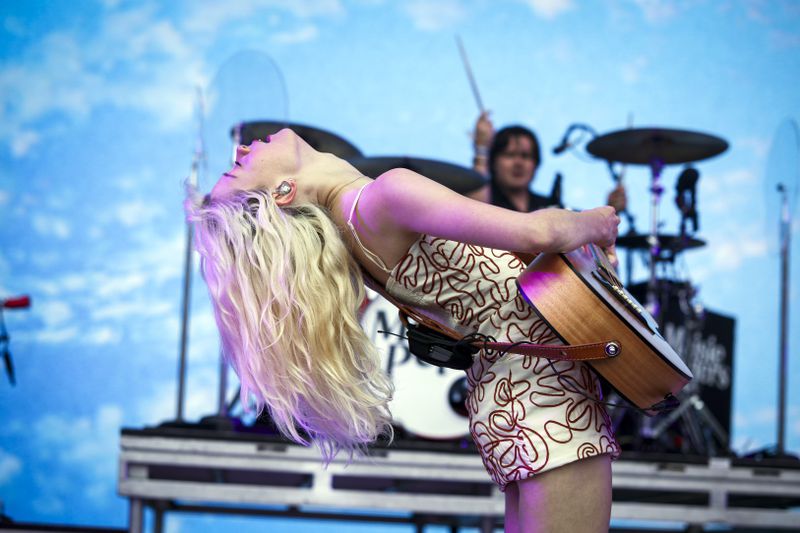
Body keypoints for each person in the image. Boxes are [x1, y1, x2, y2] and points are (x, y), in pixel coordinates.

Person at [187, 128, 621, 532]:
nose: (242, 148)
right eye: (238, 166)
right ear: (283, 192)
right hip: (546, 396)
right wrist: (598, 222)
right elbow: (541, 232)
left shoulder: (357, 228)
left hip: (511, 398)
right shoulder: (388, 194)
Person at [468, 111, 627, 214]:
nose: (518, 163)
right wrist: (482, 150)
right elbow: (473, 216)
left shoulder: (549, 207)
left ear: (536, 164)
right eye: (510, 155)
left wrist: (610, 211)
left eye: (526, 156)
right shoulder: (486, 202)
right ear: (493, 161)